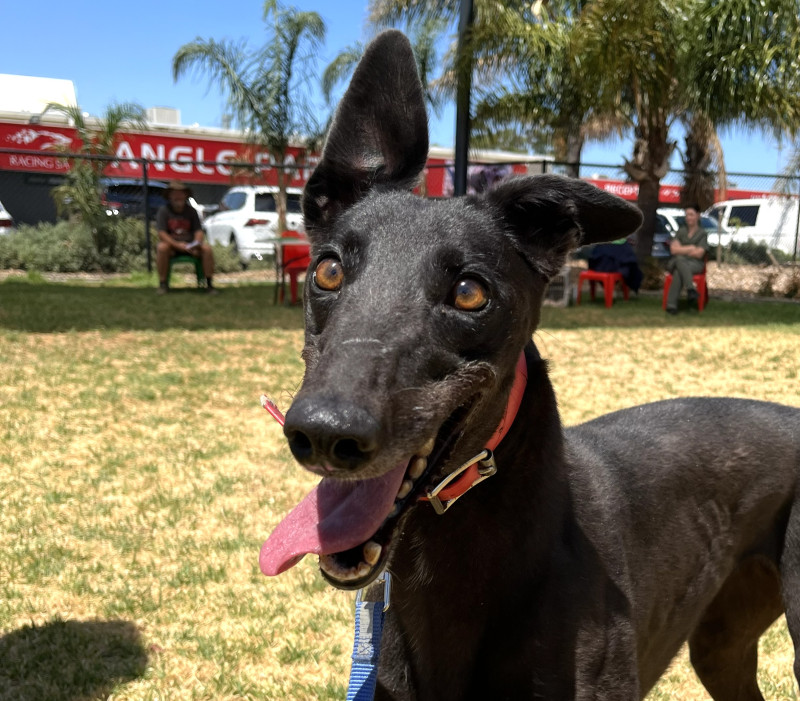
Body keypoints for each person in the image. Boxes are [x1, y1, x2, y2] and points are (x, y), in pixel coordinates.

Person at [155, 180, 218, 294]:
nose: (178, 196)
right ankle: (163, 284)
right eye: (174, 193)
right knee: (162, 248)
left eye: (180, 193)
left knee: (207, 249)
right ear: (169, 196)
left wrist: (196, 243)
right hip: (172, 247)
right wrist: (177, 245)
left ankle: (209, 285)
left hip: (190, 246)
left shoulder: (191, 211)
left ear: (185, 195)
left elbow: (198, 231)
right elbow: (162, 234)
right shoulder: (163, 211)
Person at [665, 204, 708, 314]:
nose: (688, 217)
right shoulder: (681, 231)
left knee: (679, 268)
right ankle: (690, 289)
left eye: (691, 214)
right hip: (679, 262)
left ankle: (671, 306)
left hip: (695, 264)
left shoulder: (702, 234)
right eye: (687, 215)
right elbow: (673, 250)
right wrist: (691, 248)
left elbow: (699, 254)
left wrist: (681, 250)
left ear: (698, 215)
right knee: (680, 261)